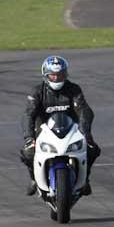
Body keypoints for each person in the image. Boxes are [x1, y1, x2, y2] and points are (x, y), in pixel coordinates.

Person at [21, 56, 100, 196]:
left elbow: (84, 111)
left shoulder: (74, 89)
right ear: (46, 75)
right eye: (53, 75)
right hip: (43, 131)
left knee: (92, 149)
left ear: (65, 74)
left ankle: (85, 179)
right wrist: (29, 138)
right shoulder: (37, 92)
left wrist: (85, 132)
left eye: (60, 75)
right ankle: (34, 179)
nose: (56, 78)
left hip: (71, 130)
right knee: (28, 153)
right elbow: (28, 114)